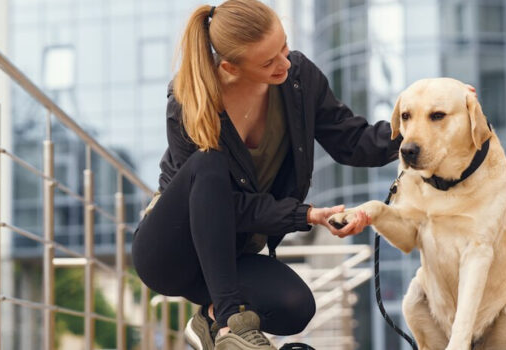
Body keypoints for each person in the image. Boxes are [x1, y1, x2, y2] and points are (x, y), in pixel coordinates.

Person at [131, 1, 402, 349]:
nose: (285, 63)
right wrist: (304, 214)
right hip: (173, 253)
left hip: (233, 255)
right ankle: (231, 323)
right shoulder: (189, 102)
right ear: (231, 66)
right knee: (208, 163)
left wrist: (419, 130)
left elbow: (352, 140)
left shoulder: (299, 80)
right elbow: (221, 203)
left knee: (296, 307)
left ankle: (211, 318)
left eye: (284, 46)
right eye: (268, 61)